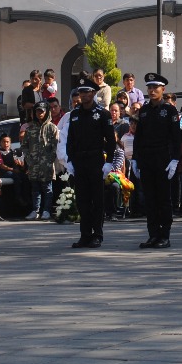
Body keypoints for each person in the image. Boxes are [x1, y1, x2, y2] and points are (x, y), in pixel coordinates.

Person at [63, 75, 118, 249]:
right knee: (82, 201)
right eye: (81, 92)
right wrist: (69, 160)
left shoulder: (102, 114)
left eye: (87, 92)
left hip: (95, 161)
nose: (84, 95)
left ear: (93, 93)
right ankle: (85, 235)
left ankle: (97, 235)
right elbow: (70, 140)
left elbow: (110, 140)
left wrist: (109, 162)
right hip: (79, 161)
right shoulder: (75, 115)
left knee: (97, 200)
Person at [136, 73, 181, 247]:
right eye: (149, 87)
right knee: (150, 199)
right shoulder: (144, 111)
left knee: (163, 199)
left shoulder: (169, 110)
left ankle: (165, 235)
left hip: (164, 159)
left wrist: (175, 159)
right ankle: (153, 234)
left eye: (155, 87)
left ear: (163, 89)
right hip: (147, 159)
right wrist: (136, 160)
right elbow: (139, 137)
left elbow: (176, 137)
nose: (152, 90)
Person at [20, 102, 60, 220]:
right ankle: (35, 210)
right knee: (35, 189)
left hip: (46, 164)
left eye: (42, 111)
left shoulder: (52, 128)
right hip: (34, 165)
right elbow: (25, 145)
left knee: (47, 188)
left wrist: (49, 160)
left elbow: (55, 146)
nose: (40, 113)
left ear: (46, 111)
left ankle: (47, 210)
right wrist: (28, 159)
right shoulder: (30, 129)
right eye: (37, 111)